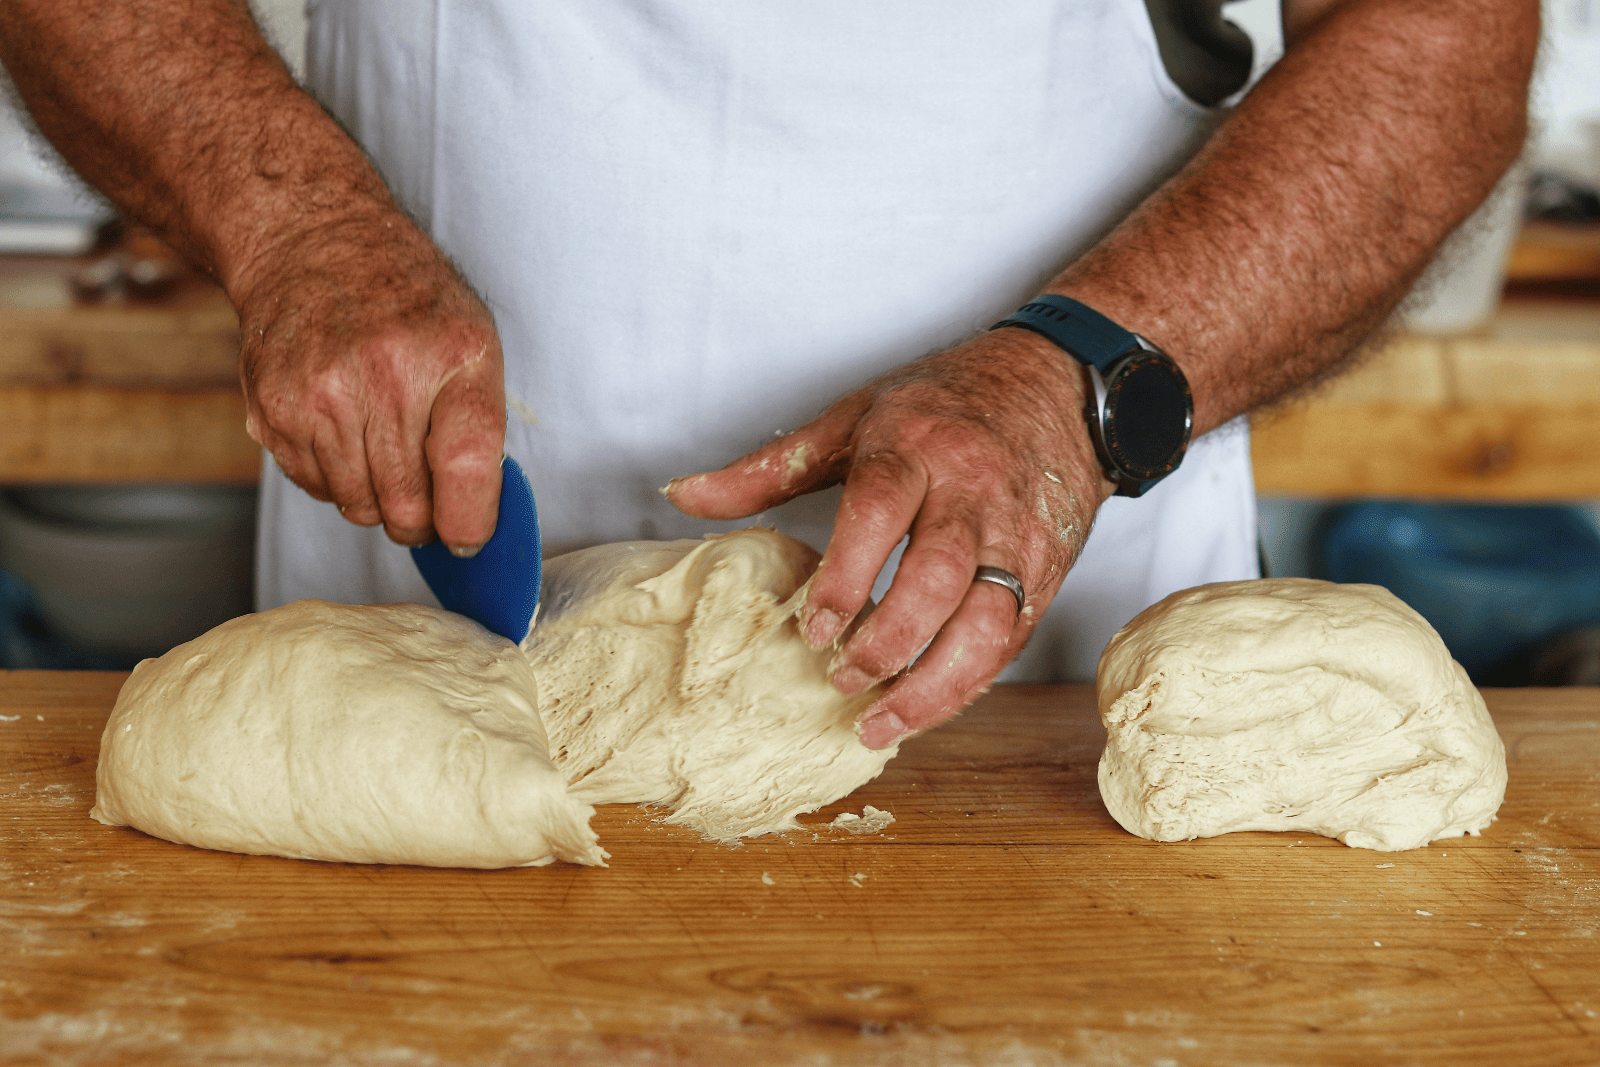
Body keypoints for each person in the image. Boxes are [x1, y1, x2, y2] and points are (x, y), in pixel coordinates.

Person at [0, 0, 1537, 749]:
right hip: (424, 582)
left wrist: (1081, 380)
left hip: (1043, 630)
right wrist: (288, 220)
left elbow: (1440, 40)